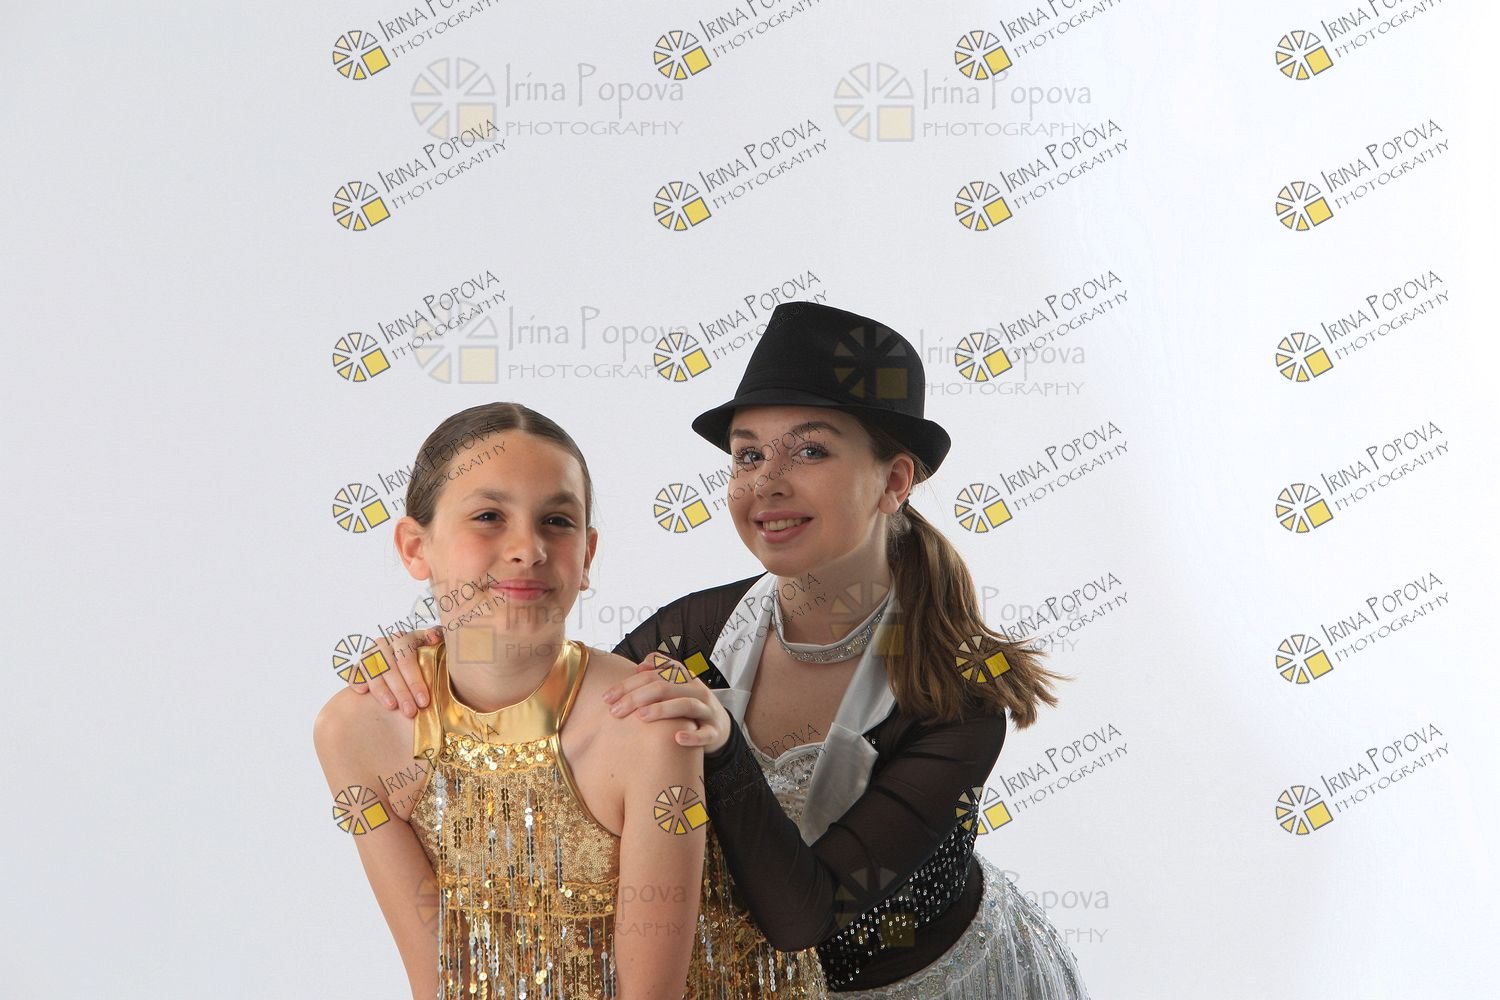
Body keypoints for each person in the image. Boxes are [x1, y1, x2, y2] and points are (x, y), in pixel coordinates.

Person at [355, 303, 1092, 997]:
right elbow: (566, 728)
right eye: (748, 455)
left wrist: (724, 748)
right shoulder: (695, 634)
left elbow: (803, 920)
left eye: (810, 450)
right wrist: (447, 649)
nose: (766, 483)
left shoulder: (958, 696)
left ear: (893, 480)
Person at [313, 403, 828, 999]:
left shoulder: (645, 723)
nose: (527, 548)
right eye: (488, 516)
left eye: (556, 521)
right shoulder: (351, 731)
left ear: (586, 557)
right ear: (414, 547)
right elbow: (437, 977)